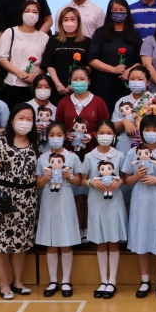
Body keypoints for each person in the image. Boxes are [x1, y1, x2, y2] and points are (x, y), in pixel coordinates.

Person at [0, 103, 41, 299]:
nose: (25, 122)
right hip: (3, 198)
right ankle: (3, 283)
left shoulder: (34, 142)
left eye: (29, 119)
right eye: (21, 118)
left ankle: (18, 281)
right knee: (1, 243)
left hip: (28, 200)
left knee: (21, 242)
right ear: (12, 120)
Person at [55, 66, 110, 242]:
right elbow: (57, 127)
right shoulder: (64, 103)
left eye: (82, 79)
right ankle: (77, 231)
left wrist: (92, 135)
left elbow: (106, 126)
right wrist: (66, 135)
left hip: (93, 154)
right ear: (70, 82)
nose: (79, 83)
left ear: (89, 81)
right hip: (70, 155)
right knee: (75, 194)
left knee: (92, 192)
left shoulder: (98, 102)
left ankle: (92, 231)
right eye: (75, 79)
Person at [121, 115, 156, 300]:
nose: (151, 133)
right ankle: (145, 280)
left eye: (155, 130)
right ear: (141, 132)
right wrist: (137, 175)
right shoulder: (132, 153)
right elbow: (126, 180)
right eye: (147, 130)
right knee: (141, 240)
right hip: (140, 201)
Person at [35, 122, 84, 298]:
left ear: (65, 137)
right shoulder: (42, 158)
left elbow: (79, 181)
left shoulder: (72, 157)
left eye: (59, 135)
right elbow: (37, 184)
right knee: (51, 243)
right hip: (49, 202)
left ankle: (66, 281)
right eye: (52, 135)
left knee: (66, 241)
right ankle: (53, 280)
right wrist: (45, 178)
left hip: (65, 201)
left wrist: (68, 176)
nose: (55, 138)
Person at [82, 120, 127, 299]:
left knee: (113, 241)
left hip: (114, 202)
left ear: (114, 136)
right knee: (100, 242)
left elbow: (124, 177)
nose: (105, 136)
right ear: (96, 134)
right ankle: (103, 280)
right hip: (96, 202)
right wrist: (90, 182)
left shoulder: (120, 155)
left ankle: (112, 281)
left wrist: (119, 182)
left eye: (109, 133)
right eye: (102, 133)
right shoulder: (89, 156)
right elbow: (82, 179)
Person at [89, 0, 143, 113]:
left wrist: (130, 71)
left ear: (127, 12)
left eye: (122, 10)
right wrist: (112, 69)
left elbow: (140, 60)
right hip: (103, 84)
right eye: (114, 11)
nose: (118, 13)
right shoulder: (100, 33)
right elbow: (92, 59)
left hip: (127, 85)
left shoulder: (134, 35)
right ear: (109, 13)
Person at [0, 0, 50, 109]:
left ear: (39, 16)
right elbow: (1, 57)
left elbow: (47, 62)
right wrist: (18, 73)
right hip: (13, 84)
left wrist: (36, 74)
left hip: (36, 86)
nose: (31, 14)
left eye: (35, 12)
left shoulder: (44, 37)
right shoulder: (10, 32)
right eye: (27, 11)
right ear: (21, 13)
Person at [42, 6, 91, 106]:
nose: (69, 22)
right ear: (61, 22)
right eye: (65, 19)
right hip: (57, 88)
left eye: (72, 19)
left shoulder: (87, 41)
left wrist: (76, 84)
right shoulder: (53, 40)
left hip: (79, 89)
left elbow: (90, 65)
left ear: (78, 21)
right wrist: (58, 84)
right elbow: (49, 64)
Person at [113, 66, 154, 157]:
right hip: (124, 147)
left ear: (147, 82)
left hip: (148, 148)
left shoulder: (155, 100)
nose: (136, 82)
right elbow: (113, 128)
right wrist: (124, 121)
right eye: (132, 79)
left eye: (140, 79)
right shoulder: (122, 101)